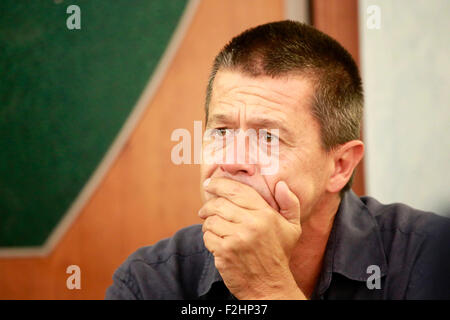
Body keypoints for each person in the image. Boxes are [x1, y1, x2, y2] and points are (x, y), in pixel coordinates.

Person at [105, 20, 450, 300]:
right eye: (221, 131)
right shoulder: (150, 282)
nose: (231, 161)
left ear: (341, 165)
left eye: (268, 137)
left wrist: (268, 289)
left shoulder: (429, 257)